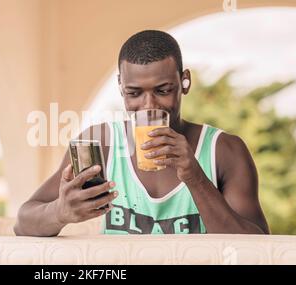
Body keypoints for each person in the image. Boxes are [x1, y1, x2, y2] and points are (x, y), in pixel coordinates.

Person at [14, 30, 269, 236]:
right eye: (134, 93)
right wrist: (59, 213)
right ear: (121, 87)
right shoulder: (100, 143)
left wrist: (195, 178)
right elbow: (23, 223)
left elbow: (257, 249)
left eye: (163, 90)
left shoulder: (224, 150)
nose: (149, 106)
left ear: (184, 82)